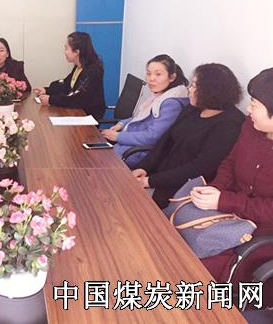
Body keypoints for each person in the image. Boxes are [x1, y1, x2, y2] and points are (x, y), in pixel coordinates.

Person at [191, 68, 273, 306]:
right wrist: (216, 190)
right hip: (230, 217)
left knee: (193, 269)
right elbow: (230, 162)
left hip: (260, 236)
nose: (248, 110)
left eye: (255, 104)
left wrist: (224, 201)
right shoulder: (250, 127)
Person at [132, 63, 245, 208]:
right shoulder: (193, 108)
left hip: (182, 188)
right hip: (158, 176)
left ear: (211, 90)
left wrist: (150, 181)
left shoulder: (230, 124)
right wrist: (144, 167)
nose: (189, 89)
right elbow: (166, 141)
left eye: (194, 86)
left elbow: (201, 167)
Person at [102, 54, 189, 167]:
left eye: (158, 74)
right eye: (148, 73)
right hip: (129, 144)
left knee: (94, 161)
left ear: (172, 77)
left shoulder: (171, 104)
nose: (151, 78)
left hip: (139, 153)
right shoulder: (159, 95)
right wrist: (121, 124)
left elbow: (152, 137)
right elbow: (140, 117)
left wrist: (117, 136)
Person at [34, 32, 106, 118]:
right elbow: (66, 85)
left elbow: (77, 99)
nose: (65, 52)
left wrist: (51, 100)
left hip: (88, 117)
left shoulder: (93, 71)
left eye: (66, 48)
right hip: (76, 113)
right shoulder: (79, 67)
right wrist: (47, 90)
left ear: (76, 52)